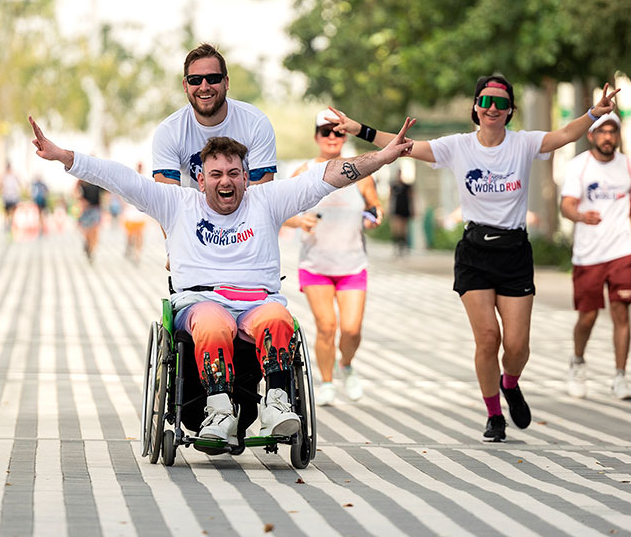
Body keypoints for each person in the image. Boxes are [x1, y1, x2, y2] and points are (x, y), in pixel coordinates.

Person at [28, 114, 414, 447]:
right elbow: (120, 178)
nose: (225, 181)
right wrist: (65, 157)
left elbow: (328, 176)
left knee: (280, 320)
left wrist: (380, 157)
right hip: (201, 304)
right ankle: (218, 412)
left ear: (246, 177)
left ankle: (277, 403)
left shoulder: (268, 200)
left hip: (259, 303)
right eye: (216, 174)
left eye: (233, 173)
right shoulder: (177, 202)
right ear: (200, 178)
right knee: (213, 321)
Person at [330, 76, 620, 442]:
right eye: (486, 101)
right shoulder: (458, 147)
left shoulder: (525, 143)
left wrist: (595, 112)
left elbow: (565, 134)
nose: (493, 108)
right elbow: (404, 147)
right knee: (488, 338)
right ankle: (494, 415)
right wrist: (361, 130)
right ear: (476, 107)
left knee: (517, 346)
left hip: (514, 251)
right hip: (475, 252)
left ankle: (510, 383)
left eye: (501, 102)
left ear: (510, 110)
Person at [284, 109, 383, 406]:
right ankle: (326, 382)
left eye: (338, 132)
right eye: (326, 132)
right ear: (316, 137)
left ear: (345, 136)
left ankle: (346, 366)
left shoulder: (360, 171)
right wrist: (299, 222)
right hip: (316, 265)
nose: (332, 137)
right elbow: (279, 210)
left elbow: (375, 206)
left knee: (352, 329)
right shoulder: (304, 172)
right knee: (327, 326)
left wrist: (374, 216)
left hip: (352, 263)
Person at [560, 112, 631, 401]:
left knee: (622, 312)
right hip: (588, 254)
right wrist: (581, 216)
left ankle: (620, 377)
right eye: (602, 131)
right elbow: (566, 205)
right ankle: (578, 362)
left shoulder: (630, 167)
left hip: (620, 251)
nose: (608, 136)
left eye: (613, 131)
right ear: (591, 136)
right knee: (588, 317)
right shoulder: (579, 167)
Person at [152, 43, 278, 188]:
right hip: (190, 211)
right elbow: (169, 201)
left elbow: (261, 198)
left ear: (226, 82)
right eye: (195, 80)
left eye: (213, 79)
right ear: (185, 86)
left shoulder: (256, 124)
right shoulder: (169, 131)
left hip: (245, 210)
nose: (204, 87)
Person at [122, 162, 149, 262]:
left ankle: (137, 253)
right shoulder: (131, 180)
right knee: (130, 235)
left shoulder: (145, 180)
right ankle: (130, 247)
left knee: (139, 235)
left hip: (140, 214)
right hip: (130, 213)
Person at [388, 163, 415, 255]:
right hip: (397, 208)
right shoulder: (393, 186)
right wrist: (389, 209)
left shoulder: (407, 186)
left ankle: (404, 246)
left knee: (404, 229)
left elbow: (411, 198)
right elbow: (390, 197)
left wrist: (413, 209)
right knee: (396, 229)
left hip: (405, 208)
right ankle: (397, 246)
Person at [76, 180, 104, 261]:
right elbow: (76, 193)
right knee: (87, 232)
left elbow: (105, 192)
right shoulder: (82, 180)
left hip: (95, 209)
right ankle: (88, 244)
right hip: (86, 209)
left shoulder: (98, 181)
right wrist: (81, 201)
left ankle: (91, 250)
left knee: (94, 231)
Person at [0, 163, 22, 234]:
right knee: (7, 212)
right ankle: (7, 224)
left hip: (12, 197)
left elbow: (19, 183)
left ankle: (10, 224)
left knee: (11, 212)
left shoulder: (12, 176)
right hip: (7, 197)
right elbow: (0, 185)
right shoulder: (4, 177)